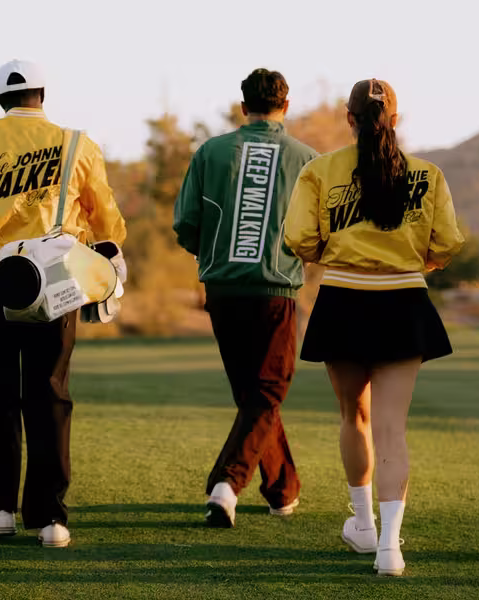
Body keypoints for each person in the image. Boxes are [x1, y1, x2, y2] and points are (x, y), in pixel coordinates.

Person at [0, 59, 127, 548]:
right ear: (42, 95)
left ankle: (0, 509)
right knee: (51, 396)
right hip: (56, 288)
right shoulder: (77, 144)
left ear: (0, 98)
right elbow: (107, 220)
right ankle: (51, 520)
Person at [284, 78, 463, 577]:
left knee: (353, 418)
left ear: (350, 119)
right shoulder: (428, 174)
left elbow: (298, 237)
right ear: (396, 120)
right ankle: (389, 548)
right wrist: (410, 263)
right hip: (404, 302)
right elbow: (447, 243)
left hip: (341, 301)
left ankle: (363, 526)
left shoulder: (320, 171)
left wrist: (335, 259)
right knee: (392, 429)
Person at [173, 68, 317, 527]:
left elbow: (186, 225)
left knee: (256, 397)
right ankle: (226, 485)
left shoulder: (211, 151)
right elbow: (320, 235)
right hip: (274, 292)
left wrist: (219, 258)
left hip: (223, 291)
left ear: (242, 107)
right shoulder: (307, 160)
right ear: (286, 106)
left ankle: (282, 489)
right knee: (267, 392)